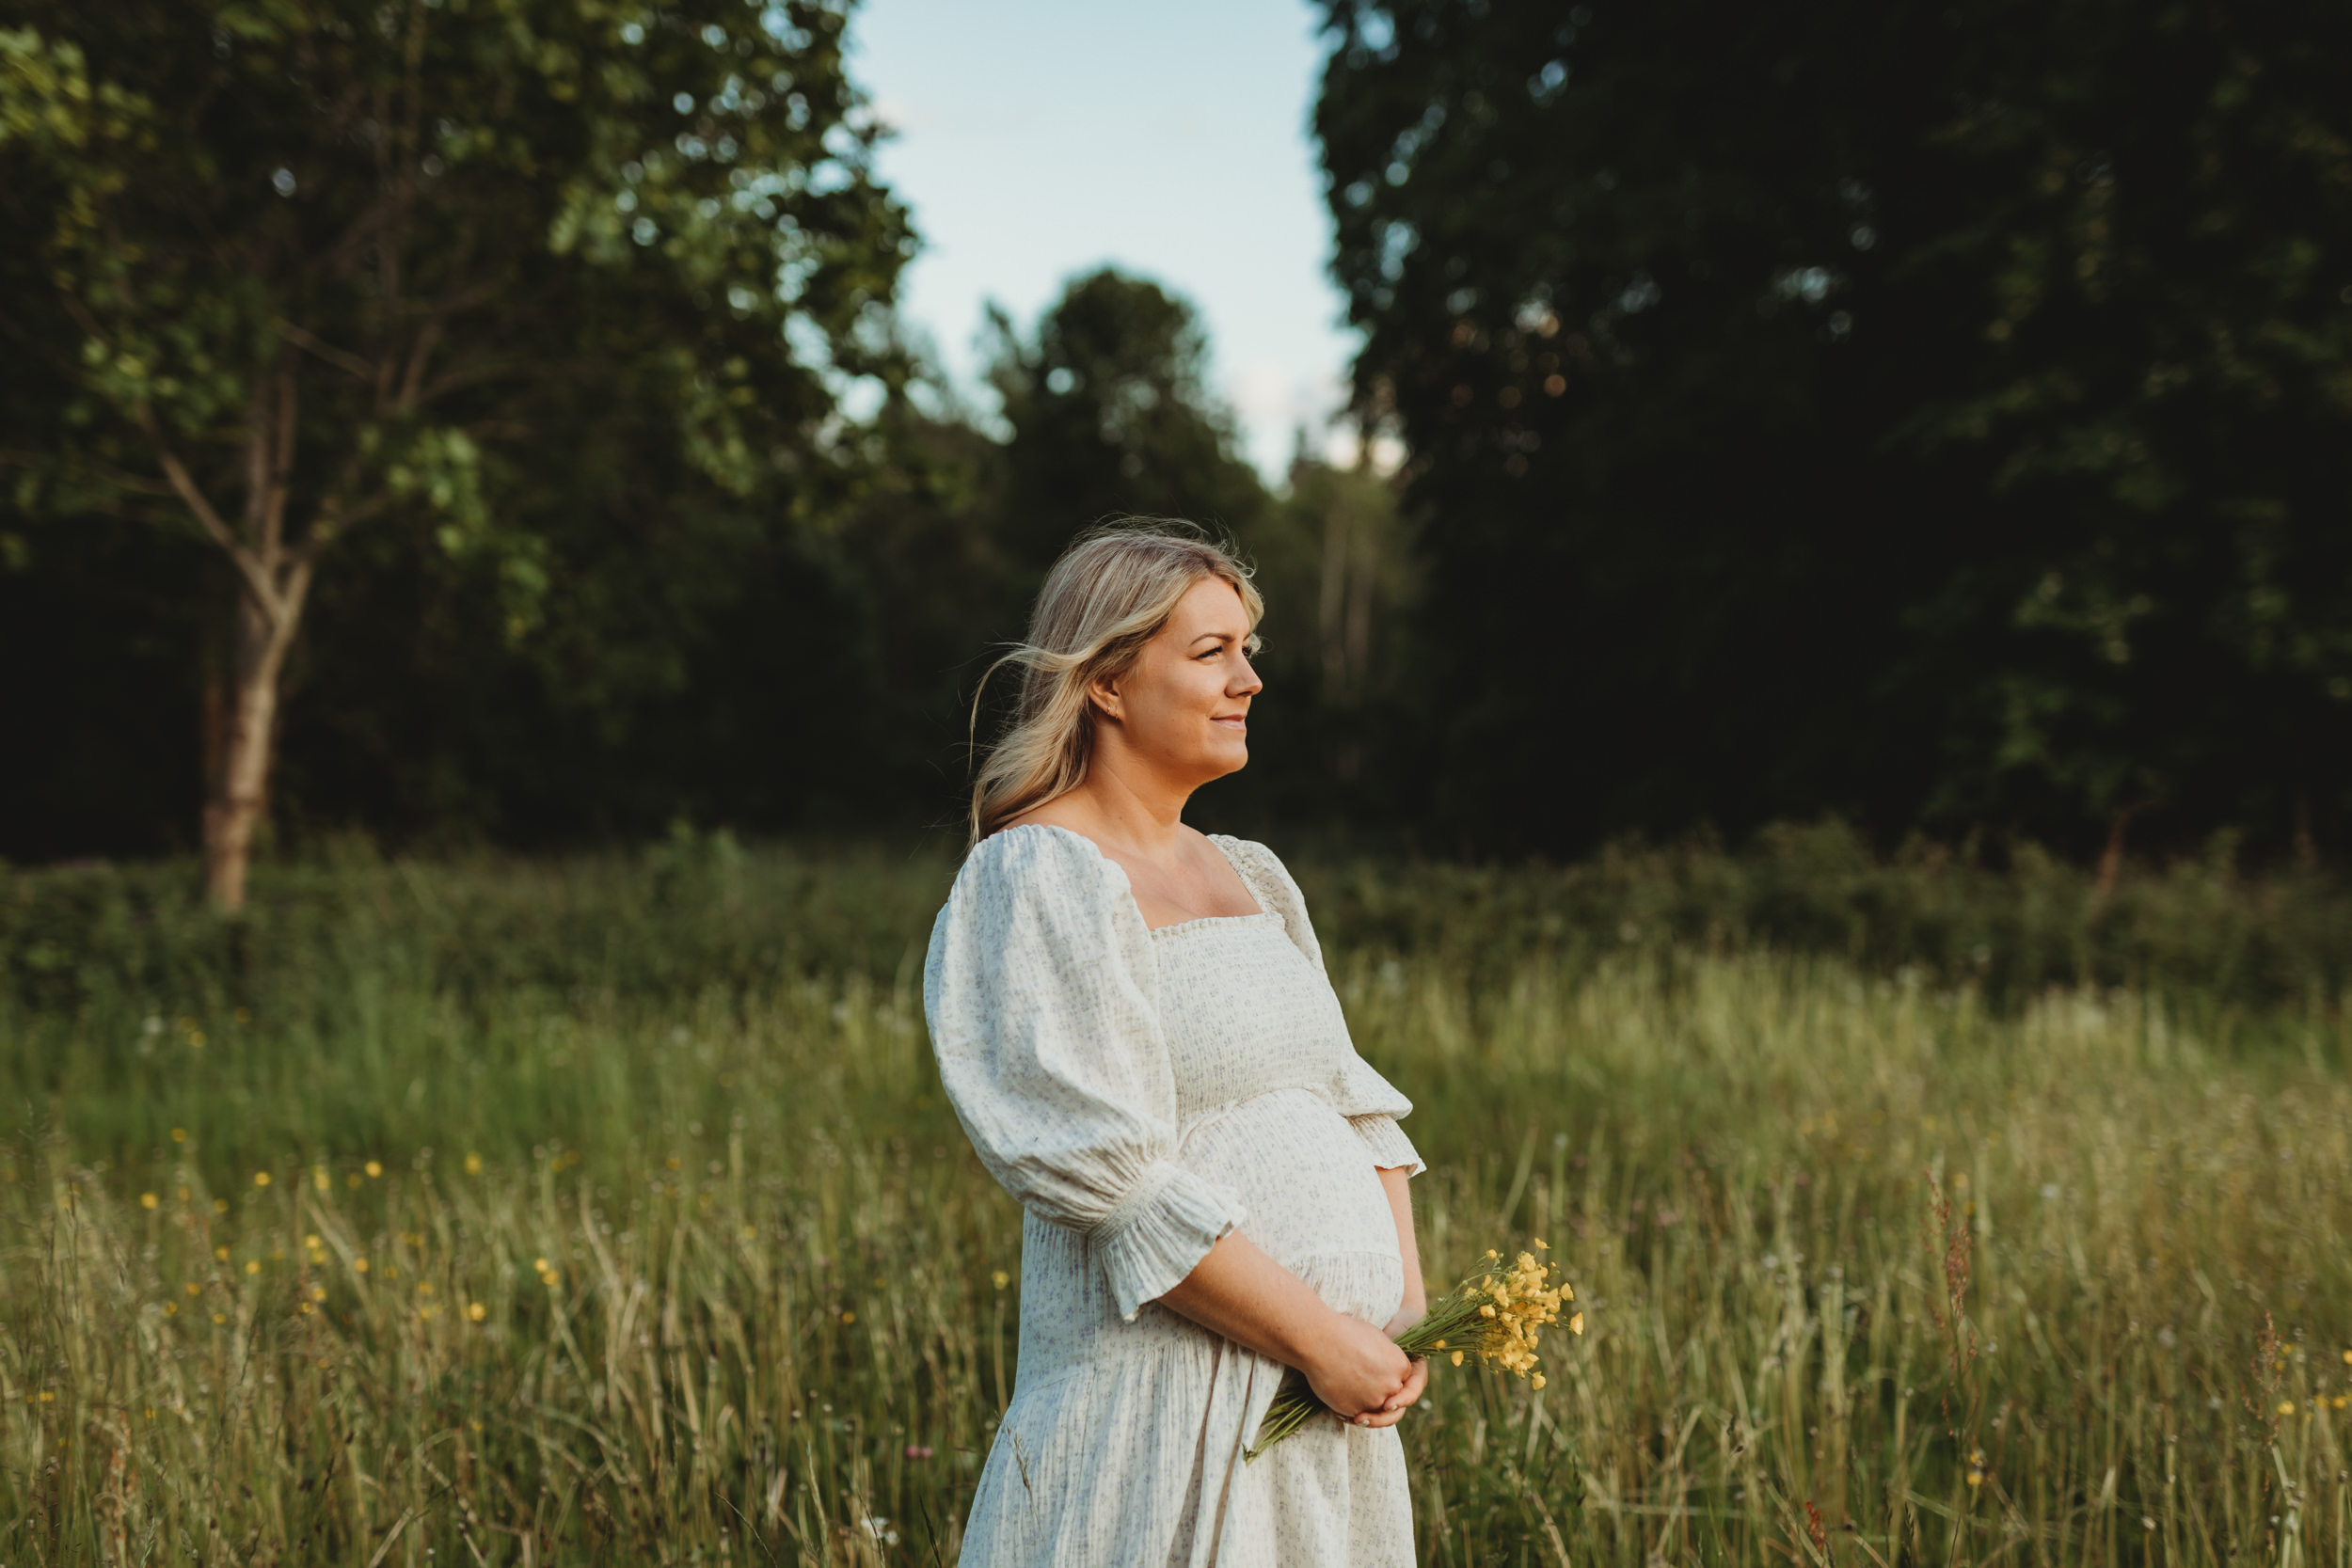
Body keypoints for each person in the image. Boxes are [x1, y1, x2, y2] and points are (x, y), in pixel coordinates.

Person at [924, 522, 1428, 1565]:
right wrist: (1323, 1334)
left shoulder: (1253, 871)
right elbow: (1105, 1176)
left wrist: (1400, 1315)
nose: (1247, 679)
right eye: (1211, 652)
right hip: (1167, 1399)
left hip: (1321, 1404)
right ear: (1106, 679)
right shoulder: (1037, 874)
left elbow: (1352, 1100)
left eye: (1248, 650)